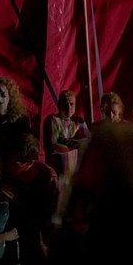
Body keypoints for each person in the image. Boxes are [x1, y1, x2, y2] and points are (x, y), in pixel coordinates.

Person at [0, 132, 60, 265]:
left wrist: (17, 202)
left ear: (28, 163)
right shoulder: (6, 173)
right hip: (9, 235)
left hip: (36, 237)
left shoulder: (47, 177)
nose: (7, 164)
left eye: (14, 163)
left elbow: (46, 216)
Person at [43, 90, 91, 224]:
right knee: (59, 198)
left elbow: (89, 140)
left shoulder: (76, 122)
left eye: (72, 104)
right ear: (59, 105)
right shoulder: (53, 120)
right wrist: (74, 144)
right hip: (60, 166)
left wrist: (82, 125)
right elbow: (54, 145)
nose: (69, 107)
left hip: (74, 167)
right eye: (66, 104)